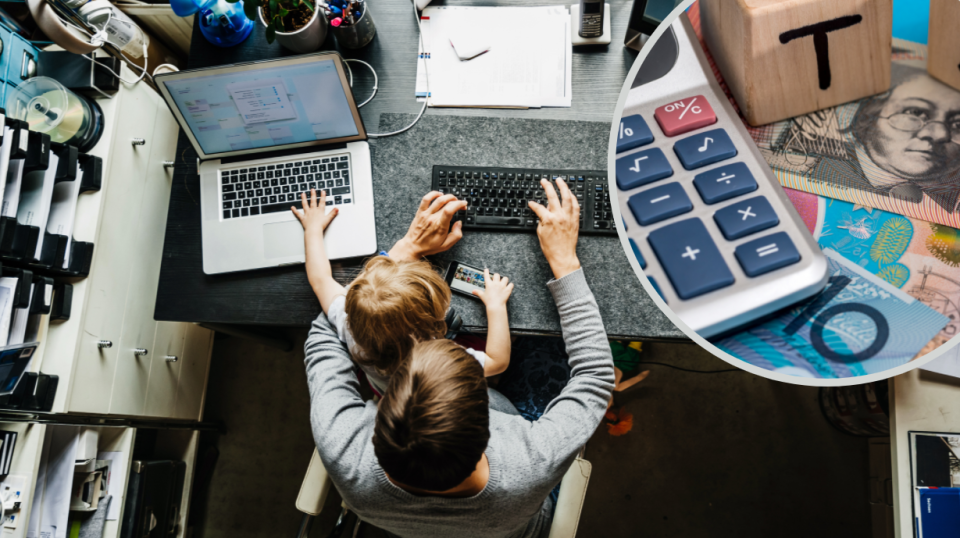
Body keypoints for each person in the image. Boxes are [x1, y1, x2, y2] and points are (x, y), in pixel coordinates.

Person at [303, 178, 615, 537]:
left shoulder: (341, 447)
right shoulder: (530, 462)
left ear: (380, 417)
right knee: (548, 348)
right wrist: (564, 260)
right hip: (520, 524)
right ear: (488, 429)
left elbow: (328, 327)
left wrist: (402, 254)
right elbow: (594, 377)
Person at [291, 190, 514, 394]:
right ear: (435, 323)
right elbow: (497, 362)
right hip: (431, 388)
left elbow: (320, 279)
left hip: (385, 388)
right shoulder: (440, 359)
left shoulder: (348, 321)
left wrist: (312, 230)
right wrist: (496, 306)